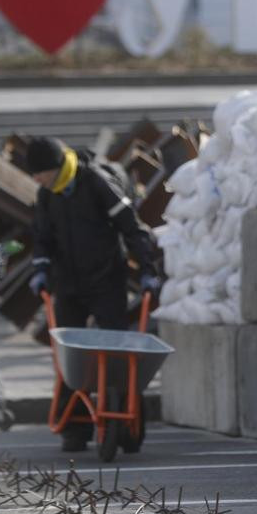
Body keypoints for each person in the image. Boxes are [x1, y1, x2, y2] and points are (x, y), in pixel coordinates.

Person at [26, 136, 161, 452]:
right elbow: (42, 237)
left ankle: (126, 419)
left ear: (56, 167)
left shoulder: (96, 182)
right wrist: (41, 268)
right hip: (68, 285)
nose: (36, 179)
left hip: (105, 281)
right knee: (69, 356)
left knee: (116, 354)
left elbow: (132, 227)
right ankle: (75, 426)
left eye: (39, 173)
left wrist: (147, 269)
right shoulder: (48, 194)